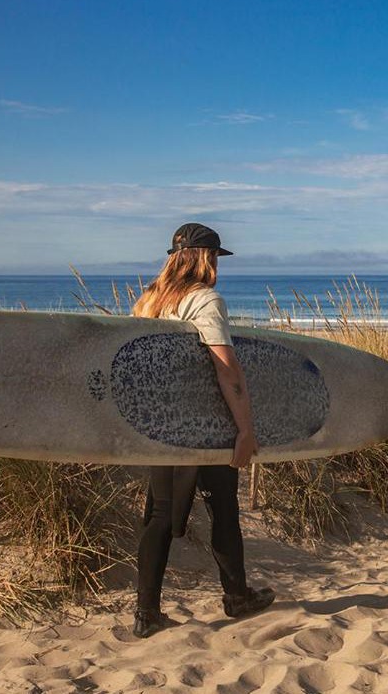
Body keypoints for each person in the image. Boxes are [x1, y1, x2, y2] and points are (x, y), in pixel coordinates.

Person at [129, 222, 274, 638]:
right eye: (214, 257)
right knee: (223, 510)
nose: (216, 266)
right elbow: (227, 371)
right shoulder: (205, 301)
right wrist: (245, 430)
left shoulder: (148, 303)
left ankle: (147, 613)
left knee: (159, 516)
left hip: (163, 428)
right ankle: (236, 596)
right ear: (204, 258)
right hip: (207, 429)